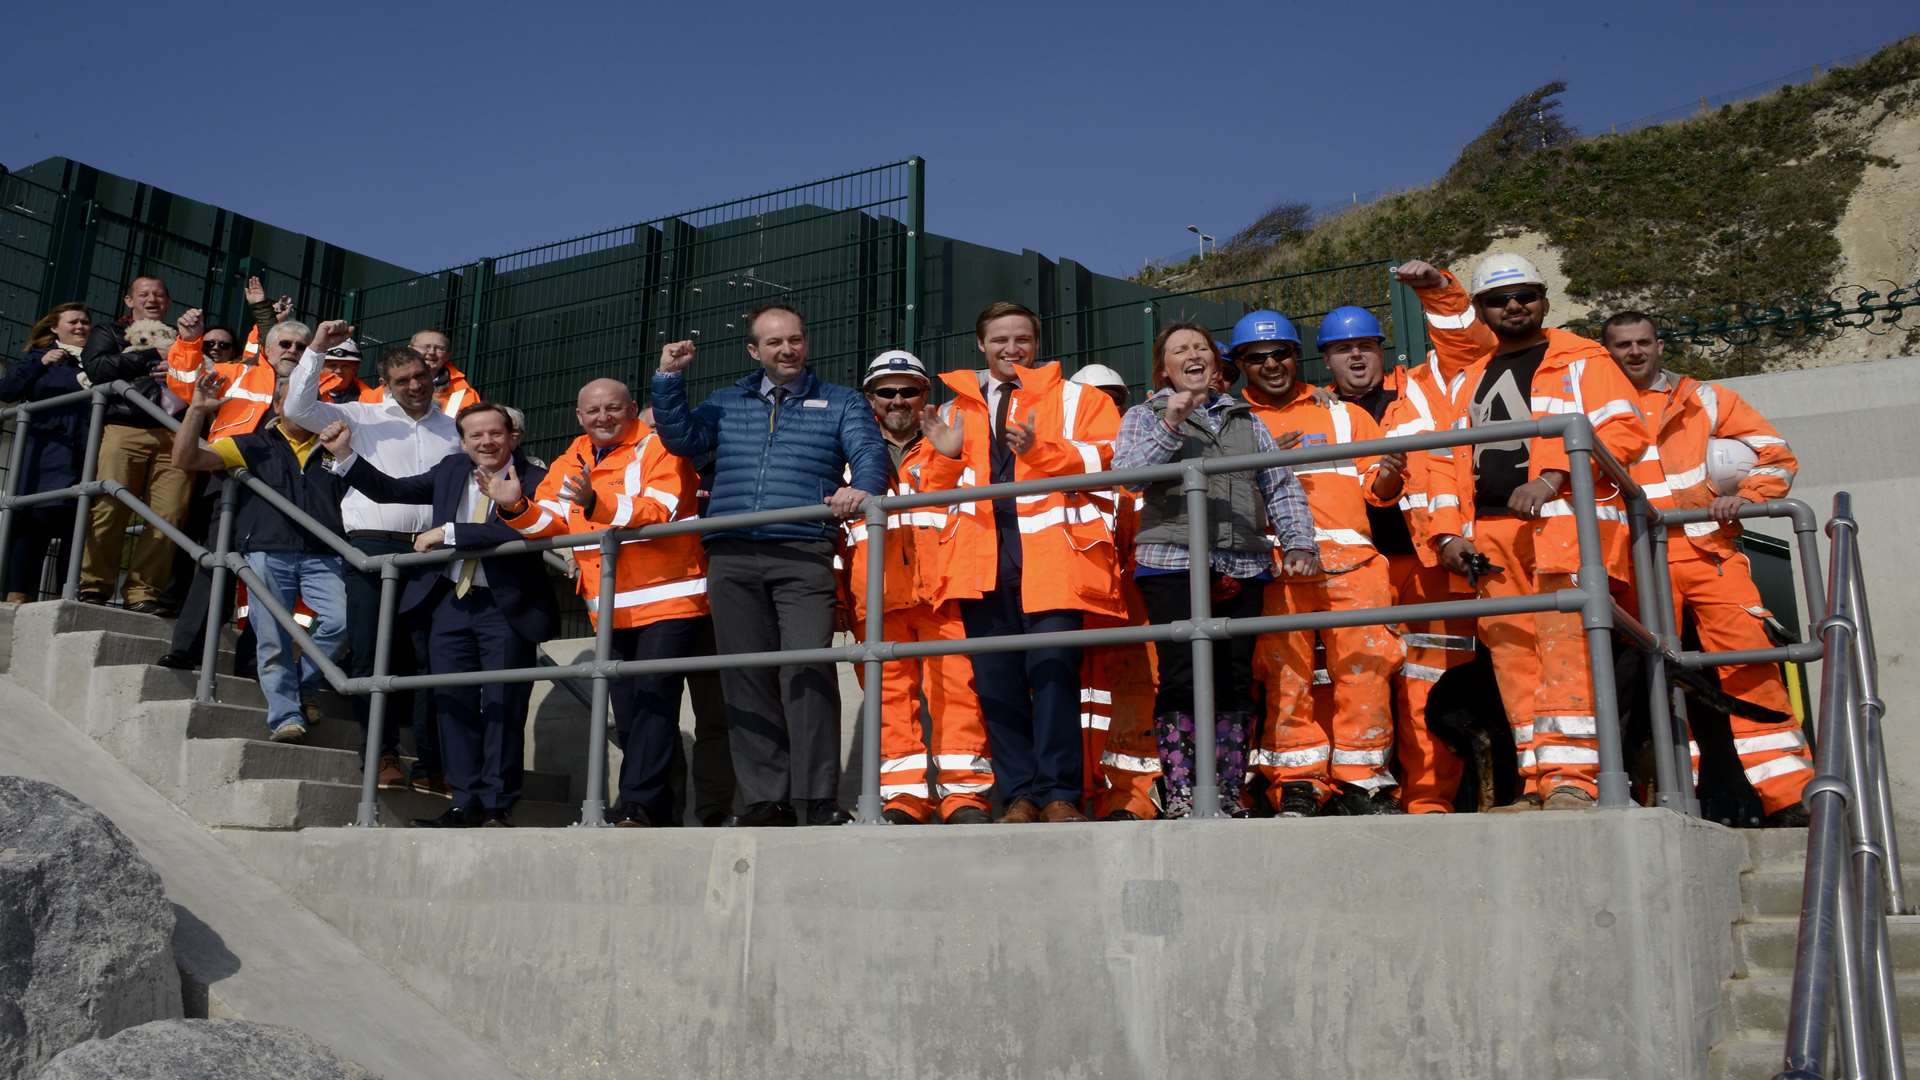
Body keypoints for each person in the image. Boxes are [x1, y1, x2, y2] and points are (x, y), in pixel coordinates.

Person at [1400, 254, 1652, 811]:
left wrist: (1553, 475)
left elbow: (1623, 431)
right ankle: (1539, 783)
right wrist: (1446, 535)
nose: (1514, 306)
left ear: (1544, 299)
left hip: (1564, 529)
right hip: (1489, 538)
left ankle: (1574, 782)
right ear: (1483, 311)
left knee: (1569, 657)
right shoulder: (1471, 374)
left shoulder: (1584, 360)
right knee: (1514, 662)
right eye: (1498, 299)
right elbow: (1444, 460)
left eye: (1525, 295)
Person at [650, 304, 888, 827]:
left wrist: (861, 488)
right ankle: (765, 800)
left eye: (795, 339)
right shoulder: (726, 402)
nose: (788, 349)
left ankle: (816, 799)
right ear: (753, 351)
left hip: (804, 551)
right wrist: (667, 379)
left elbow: (870, 454)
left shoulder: (843, 401)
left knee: (807, 671)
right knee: (745, 678)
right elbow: (683, 441)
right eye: (775, 342)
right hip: (731, 554)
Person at [917, 301, 1124, 823]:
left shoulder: (1081, 399)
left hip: (1055, 560)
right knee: (997, 686)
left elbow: (1110, 457)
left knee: (1054, 676)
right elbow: (929, 496)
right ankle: (1018, 797)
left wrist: (1041, 450)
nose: (1012, 349)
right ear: (980, 346)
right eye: (1000, 340)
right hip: (980, 564)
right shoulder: (950, 410)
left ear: (1038, 343)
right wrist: (944, 454)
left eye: (1022, 339)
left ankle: (1059, 795)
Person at [1600, 311, 1811, 824]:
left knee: (1749, 660)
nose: (1634, 352)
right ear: (1606, 352)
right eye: (1623, 345)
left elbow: (1775, 454)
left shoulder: (1705, 398)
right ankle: (1684, 800)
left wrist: (1747, 495)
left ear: (1660, 345)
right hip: (1634, 560)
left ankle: (1790, 796)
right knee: (1648, 679)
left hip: (1707, 551)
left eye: (1643, 342)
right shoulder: (1592, 405)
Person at [1111, 323, 1317, 818]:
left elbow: (1279, 483)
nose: (1192, 354)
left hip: (1242, 562)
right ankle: (1183, 792)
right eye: (1180, 350)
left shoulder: (1246, 419)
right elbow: (1128, 477)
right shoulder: (1144, 415)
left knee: (1233, 679)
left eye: (1200, 347)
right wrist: (1171, 425)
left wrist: (1299, 541)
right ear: (1165, 367)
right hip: (1172, 564)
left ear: (1215, 361)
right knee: (1181, 675)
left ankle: (1226, 792)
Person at [321, 402, 558, 827]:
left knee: (503, 705)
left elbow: (518, 527)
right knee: (451, 704)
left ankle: (498, 804)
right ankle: (464, 800)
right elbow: (394, 489)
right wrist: (345, 456)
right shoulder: (450, 469)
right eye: (475, 436)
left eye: (495, 434)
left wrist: (448, 533)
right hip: (450, 603)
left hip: (505, 608)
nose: (486, 442)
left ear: (512, 437)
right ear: (463, 441)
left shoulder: (537, 477)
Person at [496, 378, 708, 828]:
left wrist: (597, 502)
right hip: (609, 607)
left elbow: (661, 508)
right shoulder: (573, 454)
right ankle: (654, 810)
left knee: (652, 704)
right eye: (592, 411)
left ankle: (636, 804)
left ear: (631, 408)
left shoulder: (658, 446)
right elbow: (550, 522)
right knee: (630, 713)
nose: (602, 418)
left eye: (612, 408)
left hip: (667, 600)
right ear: (579, 416)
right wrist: (516, 508)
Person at [1230, 309, 1406, 816]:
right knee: (1285, 676)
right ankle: (1296, 782)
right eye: (1257, 357)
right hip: (1277, 566)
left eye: (1281, 353)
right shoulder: (1234, 422)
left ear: (1297, 354)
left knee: (1366, 670)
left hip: (1353, 565)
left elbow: (1378, 488)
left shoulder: (1344, 414)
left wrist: (1393, 474)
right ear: (1241, 364)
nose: (1272, 364)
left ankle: (1364, 781)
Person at [1315, 305, 1480, 813]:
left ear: (1381, 351)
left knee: (1429, 686)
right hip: (1354, 569)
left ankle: (1429, 799)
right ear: (1326, 360)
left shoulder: (1412, 399)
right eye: (1344, 349)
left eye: (1365, 346)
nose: (1356, 356)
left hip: (1425, 561)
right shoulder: (1318, 413)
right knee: (1347, 683)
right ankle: (1350, 791)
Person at [283, 320, 460, 790]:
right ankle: (379, 755)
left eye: (420, 376)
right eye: (402, 380)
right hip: (373, 548)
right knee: (371, 653)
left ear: (432, 373)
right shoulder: (361, 415)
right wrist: (318, 348)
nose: (415, 386)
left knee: (430, 659)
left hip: (435, 552)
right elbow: (297, 406)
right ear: (386, 384)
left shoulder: (452, 428)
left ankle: (431, 764)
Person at [843, 350, 994, 825]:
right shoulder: (845, 450)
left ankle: (964, 798)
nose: (898, 400)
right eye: (886, 392)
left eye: (909, 390)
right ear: (870, 400)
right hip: (875, 595)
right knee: (889, 704)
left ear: (926, 395)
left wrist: (949, 455)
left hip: (943, 592)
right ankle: (903, 800)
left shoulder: (951, 441)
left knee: (958, 695)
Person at [168, 369, 347, 742]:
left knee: (344, 622)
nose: (302, 407)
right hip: (267, 551)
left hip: (324, 554)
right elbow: (185, 459)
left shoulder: (336, 449)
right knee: (272, 639)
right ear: (278, 406)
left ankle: (300, 685)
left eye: (310, 401)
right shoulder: (252, 445)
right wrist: (197, 411)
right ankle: (285, 717)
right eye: (292, 399)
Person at [155, 293, 303, 672]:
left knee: (273, 575)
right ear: (266, 348)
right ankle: (187, 648)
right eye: (284, 344)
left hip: (288, 489)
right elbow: (184, 385)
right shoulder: (237, 372)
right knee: (216, 563)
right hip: (232, 478)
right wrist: (189, 341)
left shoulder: (315, 384)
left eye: (300, 346)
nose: (292, 350)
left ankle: (251, 662)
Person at [1067, 363, 1162, 820]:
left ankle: (1131, 799)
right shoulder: (1068, 466)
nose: (1108, 407)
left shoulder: (1147, 458)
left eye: (1115, 398)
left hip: (1137, 599)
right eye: (1096, 399)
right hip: (1081, 598)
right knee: (1077, 698)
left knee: (1134, 698)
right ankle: (1077, 792)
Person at [76, 275, 191, 613]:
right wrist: (146, 356)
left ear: (168, 303)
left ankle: (142, 592)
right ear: (129, 301)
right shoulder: (108, 332)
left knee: (168, 515)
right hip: (124, 426)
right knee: (109, 507)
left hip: (175, 433)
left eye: (159, 294)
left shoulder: (181, 340)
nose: (151, 300)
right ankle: (94, 585)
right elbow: (97, 368)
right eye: (143, 294)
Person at [1, 304, 91, 601]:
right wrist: (42, 363)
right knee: (33, 523)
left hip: (83, 454)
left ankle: (64, 599)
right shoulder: (39, 357)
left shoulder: (96, 361)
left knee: (75, 529)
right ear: (54, 327)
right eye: (73, 321)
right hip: (45, 454)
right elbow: (8, 390)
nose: (80, 327)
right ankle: (17, 594)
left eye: (85, 322)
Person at [365, 329, 480, 416]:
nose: (431, 352)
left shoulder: (466, 395)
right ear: (410, 349)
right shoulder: (374, 396)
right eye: (426, 347)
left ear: (448, 356)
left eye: (439, 348)